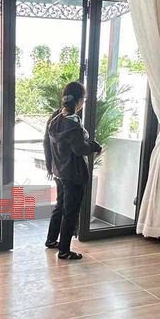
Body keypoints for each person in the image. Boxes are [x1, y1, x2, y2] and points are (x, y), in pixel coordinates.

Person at [43, 81, 102, 260]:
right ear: (78, 101)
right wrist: (94, 146)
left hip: (59, 171)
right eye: (84, 99)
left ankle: (51, 240)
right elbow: (80, 149)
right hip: (74, 174)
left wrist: (49, 166)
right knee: (70, 211)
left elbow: (46, 143)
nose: (84, 102)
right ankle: (64, 251)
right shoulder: (73, 123)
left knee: (60, 206)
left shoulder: (55, 117)